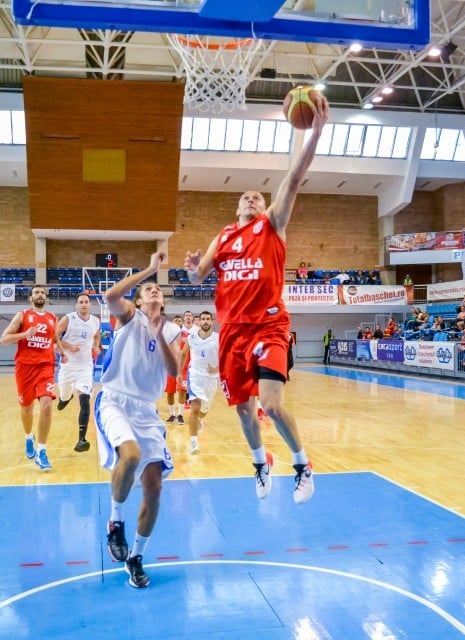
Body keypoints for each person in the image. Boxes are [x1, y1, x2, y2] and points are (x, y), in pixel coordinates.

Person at [183, 91, 328, 504]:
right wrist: (194, 267)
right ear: (236, 206)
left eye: (258, 196)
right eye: (246, 197)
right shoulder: (225, 236)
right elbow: (197, 279)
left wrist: (314, 134)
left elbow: (294, 177)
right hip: (232, 331)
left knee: (270, 402)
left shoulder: (272, 224)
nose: (252, 198)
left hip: (268, 325)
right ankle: (260, 464)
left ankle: (302, 466)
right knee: (244, 410)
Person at [96, 251, 181, 589]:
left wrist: (159, 332)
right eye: (148, 289)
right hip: (115, 400)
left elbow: (174, 370)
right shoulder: (128, 317)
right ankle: (115, 523)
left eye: (156, 288)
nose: (154, 291)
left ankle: (136, 557)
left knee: (154, 486)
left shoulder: (171, 330)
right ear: (139, 300)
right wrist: (149, 269)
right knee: (129, 455)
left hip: (147, 411)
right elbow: (110, 296)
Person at [0, 285, 62, 472]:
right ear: (31, 298)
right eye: (36, 292)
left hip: (45, 366)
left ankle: (42, 451)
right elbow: (4, 339)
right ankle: (28, 437)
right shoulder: (22, 315)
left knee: (47, 405)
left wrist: (63, 352)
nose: (40, 295)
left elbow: (55, 341)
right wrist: (25, 334)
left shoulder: (53, 318)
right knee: (27, 409)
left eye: (42, 292)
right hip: (25, 367)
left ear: (46, 297)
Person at [55, 293, 102, 453]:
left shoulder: (95, 321)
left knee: (85, 401)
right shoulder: (68, 319)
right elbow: (54, 338)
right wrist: (68, 347)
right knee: (64, 396)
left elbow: (96, 335)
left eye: (86, 302)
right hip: (68, 367)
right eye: (81, 302)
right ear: (76, 305)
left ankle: (82, 439)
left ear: (90, 304)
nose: (83, 304)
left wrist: (96, 345)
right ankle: (65, 398)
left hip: (85, 368)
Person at [182, 310, 220, 455]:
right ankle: (193, 442)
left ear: (212, 322)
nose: (205, 321)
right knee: (195, 408)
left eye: (207, 319)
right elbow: (183, 354)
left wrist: (217, 368)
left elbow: (227, 356)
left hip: (211, 379)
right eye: (203, 319)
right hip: (195, 376)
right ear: (199, 321)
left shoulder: (218, 338)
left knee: (203, 412)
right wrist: (179, 372)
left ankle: (199, 419)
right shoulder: (192, 338)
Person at [163, 315, 186, 424]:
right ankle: (172, 414)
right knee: (170, 392)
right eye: (175, 320)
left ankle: (180, 414)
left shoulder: (188, 336)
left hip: (184, 368)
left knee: (182, 390)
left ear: (182, 323)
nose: (177, 322)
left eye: (179, 320)